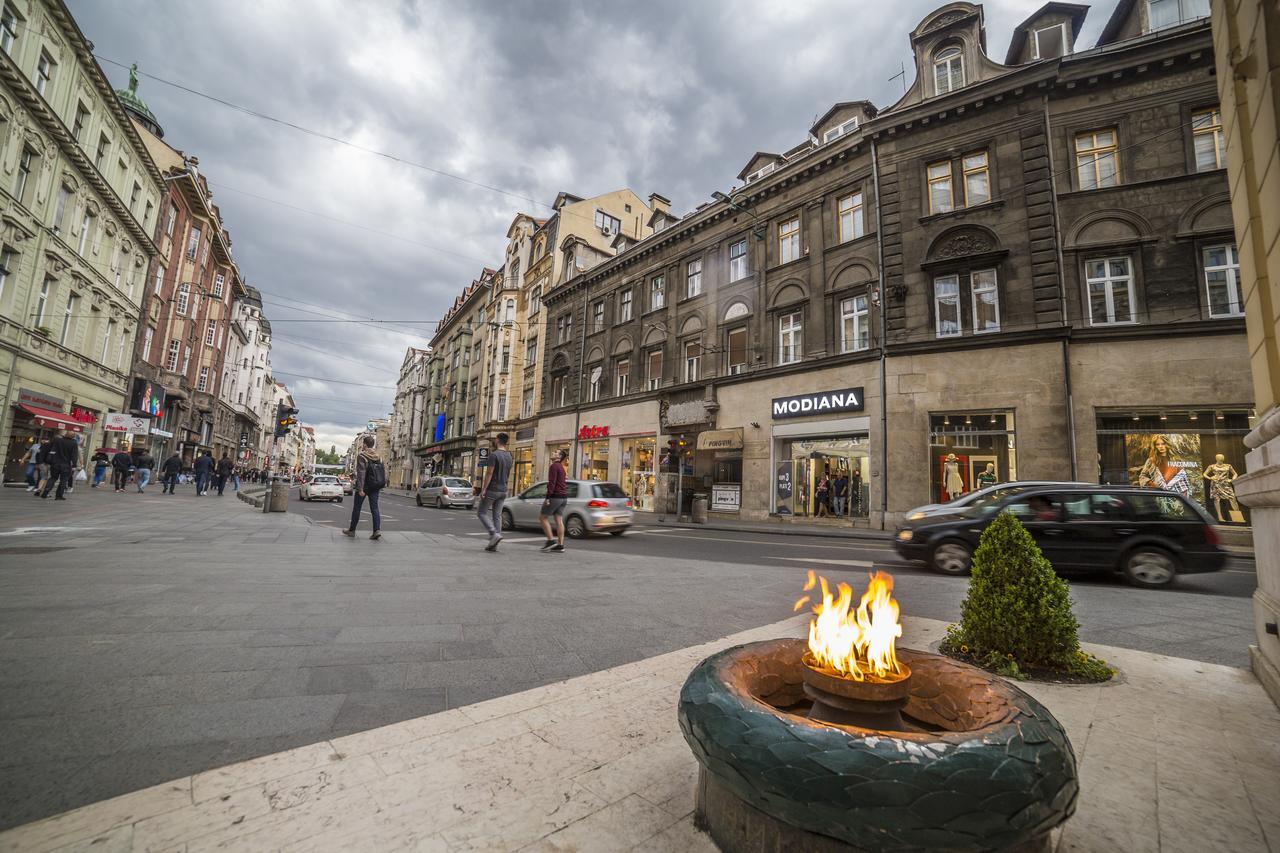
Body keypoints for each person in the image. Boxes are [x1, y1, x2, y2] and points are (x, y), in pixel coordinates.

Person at [475, 433, 513, 551]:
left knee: (481, 512)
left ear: (497, 440)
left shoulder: (494, 455)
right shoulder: (509, 456)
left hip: (493, 488)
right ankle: (494, 544)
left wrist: (484, 489)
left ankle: (493, 534)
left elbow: (489, 473)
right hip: (503, 489)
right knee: (497, 515)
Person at [343, 435, 384, 540]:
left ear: (365, 444)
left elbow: (361, 473)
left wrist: (360, 488)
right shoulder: (379, 456)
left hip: (364, 486)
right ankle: (376, 530)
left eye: (363, 443)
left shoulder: (362, 456)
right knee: (375, 508)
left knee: (357, 508)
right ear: (373, 444)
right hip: (375, 486)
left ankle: (352, 530)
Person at [540, 448, 569, 553]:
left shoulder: (553, 466)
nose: (553, 452)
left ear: (559, 457)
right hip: (563, 497)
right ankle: (560, 545)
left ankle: (550, 540)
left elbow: (552, 483)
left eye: (556, 452)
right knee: (559, 520)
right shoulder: (562, 467)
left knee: (543, 517)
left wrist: (548, 497)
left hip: (555, 496)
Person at [38, 430, 79, 500]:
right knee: (63, 480)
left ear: (66, 434)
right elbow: (74, 455)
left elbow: (49, 446)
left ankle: (45, 492)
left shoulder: (58, 440)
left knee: (53, 478)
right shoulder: (74, 443)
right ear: (73, 437)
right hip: (66, 465)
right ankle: (59, 496)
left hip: (55, 463)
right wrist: (74, 465)